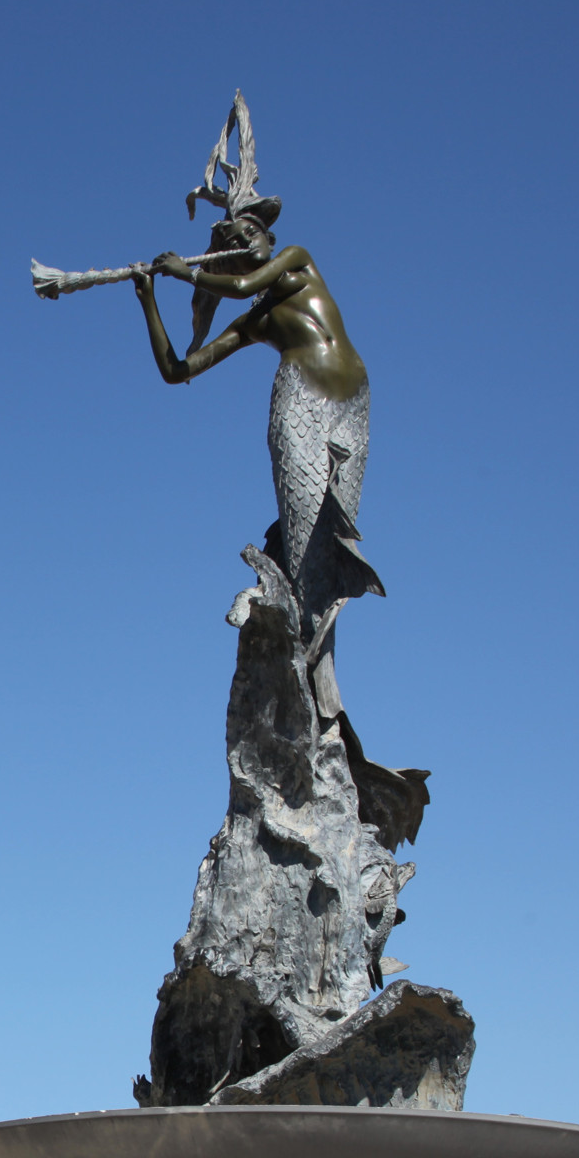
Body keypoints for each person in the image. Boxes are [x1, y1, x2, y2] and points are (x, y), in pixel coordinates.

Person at [130, 115, 384, 721]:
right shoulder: (256, 321)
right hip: (297, 400)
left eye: (251, 231)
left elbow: (242, 282)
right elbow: (178, 370)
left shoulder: (297, 259)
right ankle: (310, 697)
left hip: (352, 403)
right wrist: (148, 300)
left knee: (336, 536)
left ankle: (323, 691)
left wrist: (186, 272)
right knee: (304, 549)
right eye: (235, 237)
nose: (248, 240)